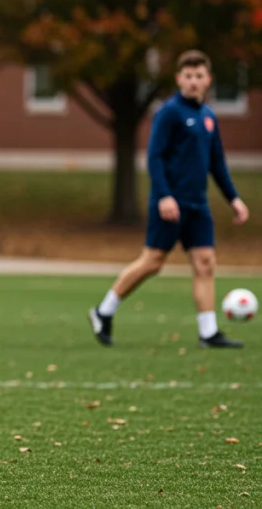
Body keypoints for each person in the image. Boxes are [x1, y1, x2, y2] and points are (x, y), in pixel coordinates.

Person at [88, 50, 249, 348]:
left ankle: (208, 332)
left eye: (199, 76)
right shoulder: (169, 112)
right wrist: (163, 195)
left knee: (205, 263)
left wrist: (234, 199)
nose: (193, 82)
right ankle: (103, 310)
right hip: (170, 204)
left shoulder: (209, 117)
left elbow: (217, 163)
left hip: (197, 205)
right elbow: (155, 156)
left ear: (208, 80)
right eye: (188, 76)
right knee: (152, 262)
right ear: (179, 79)